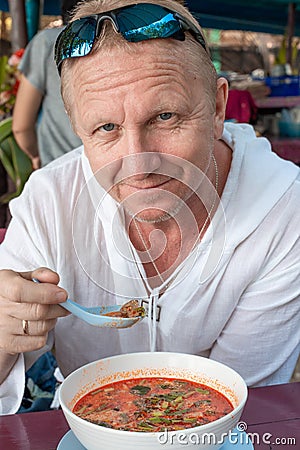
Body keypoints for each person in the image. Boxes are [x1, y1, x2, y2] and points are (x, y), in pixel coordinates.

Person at [0, 0, 299, 415]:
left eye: (164, 116)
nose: (138, 163)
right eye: (106, 128)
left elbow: (238, 407)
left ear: (217, 109)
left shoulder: (284, 210)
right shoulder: (47, 201)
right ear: (78, 130)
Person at [11, 0, 82, 169]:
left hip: (59, 170)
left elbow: (21, 127)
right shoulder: (122, 39)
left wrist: (35, 156)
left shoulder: (48, 42)